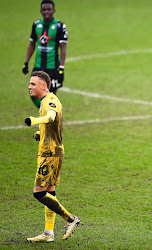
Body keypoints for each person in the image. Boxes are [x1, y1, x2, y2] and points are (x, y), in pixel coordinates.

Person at [25, 71, 80, 242]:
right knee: (50, 192)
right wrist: (39, 133)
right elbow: (51, 125)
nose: (29, 87)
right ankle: (48, 233)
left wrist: (34, 120)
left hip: (50, 154)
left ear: (43, 85)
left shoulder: (49, 101)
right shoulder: (47, 100)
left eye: (33, 84)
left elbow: (51, 117)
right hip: (52, 150)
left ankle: (70, 219)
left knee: (38, 193)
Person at [22, 0, 68, 108]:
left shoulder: (59, 26)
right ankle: (46, 110)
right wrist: (26, 62)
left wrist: (61, 68)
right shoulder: (36, 24)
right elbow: (32, 44)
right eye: (44, 9)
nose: (46, 12)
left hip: (52, 66)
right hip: (38, 66)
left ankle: (51, 117)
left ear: (54, 10)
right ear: (41, 11)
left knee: (51, 94)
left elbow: (63, 48)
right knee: (33, 92)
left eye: (49, 9)